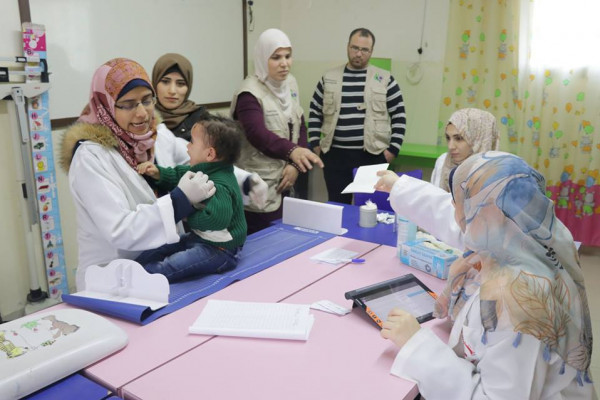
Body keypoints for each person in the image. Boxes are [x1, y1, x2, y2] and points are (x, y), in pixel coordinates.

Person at [379, 151, 596, 399]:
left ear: (482, 215)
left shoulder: (517, 299)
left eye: (460, 204)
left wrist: (417, 344)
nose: (455, 211)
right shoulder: (532, 239)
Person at [59, 58, 259, 291]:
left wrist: (246, 181)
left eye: (147, 100)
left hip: (164, 269)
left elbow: (204, 162)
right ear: (107, 105)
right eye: (128, 104)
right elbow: (120, 229)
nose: (142, 113)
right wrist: (180, 202)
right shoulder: (91, 156)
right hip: (114, 276)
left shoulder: (156, 135)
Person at [231, 28, 323, 233]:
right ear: (262, 58)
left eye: (288, 56)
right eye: (276, 57)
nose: (284, 63)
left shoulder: (290, 83)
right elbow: (257, 133)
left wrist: (295, 164)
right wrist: (293, 152)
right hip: (258, 187)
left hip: (286, 182)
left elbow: (300, 124)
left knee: (284, 238)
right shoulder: (249, 92)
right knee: (261, 242)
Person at [135, 117, 246, 282]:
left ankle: (140, 279)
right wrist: (159, 173)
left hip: (221, 249)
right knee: (159, 249)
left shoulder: (221, 185)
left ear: (210, 154)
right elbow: (181, 175)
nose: (187, 146)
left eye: (192, 142)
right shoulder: (205, 169)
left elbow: (217, 220)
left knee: (171, 265)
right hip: (201, 237)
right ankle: (133, 268)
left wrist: (188, 214)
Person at [152, 53, 268, 208]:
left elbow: (214, 165)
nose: (172, 90)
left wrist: (246, 180)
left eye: (180, 83)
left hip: (202, 207)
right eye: (165, 82)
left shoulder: (203, 121)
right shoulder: (150, 124)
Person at [308, 27, 406, 204]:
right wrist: (315, 145)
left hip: (372, 156)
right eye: (355, 48)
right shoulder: (329, 78)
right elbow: (314, 111)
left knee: (369, 206)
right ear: (347, 46)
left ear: (371, 51)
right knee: (338, 205)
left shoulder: (385, 79)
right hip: (334, 157)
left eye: (364, 49)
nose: (358, 53)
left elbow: (399, 115)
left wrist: (392, 151)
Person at [431, 108, 499, 191]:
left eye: (459, 138)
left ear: (478, 140)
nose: (450, 146)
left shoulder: (496, 174)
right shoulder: (443, 162)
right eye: (448, 138)